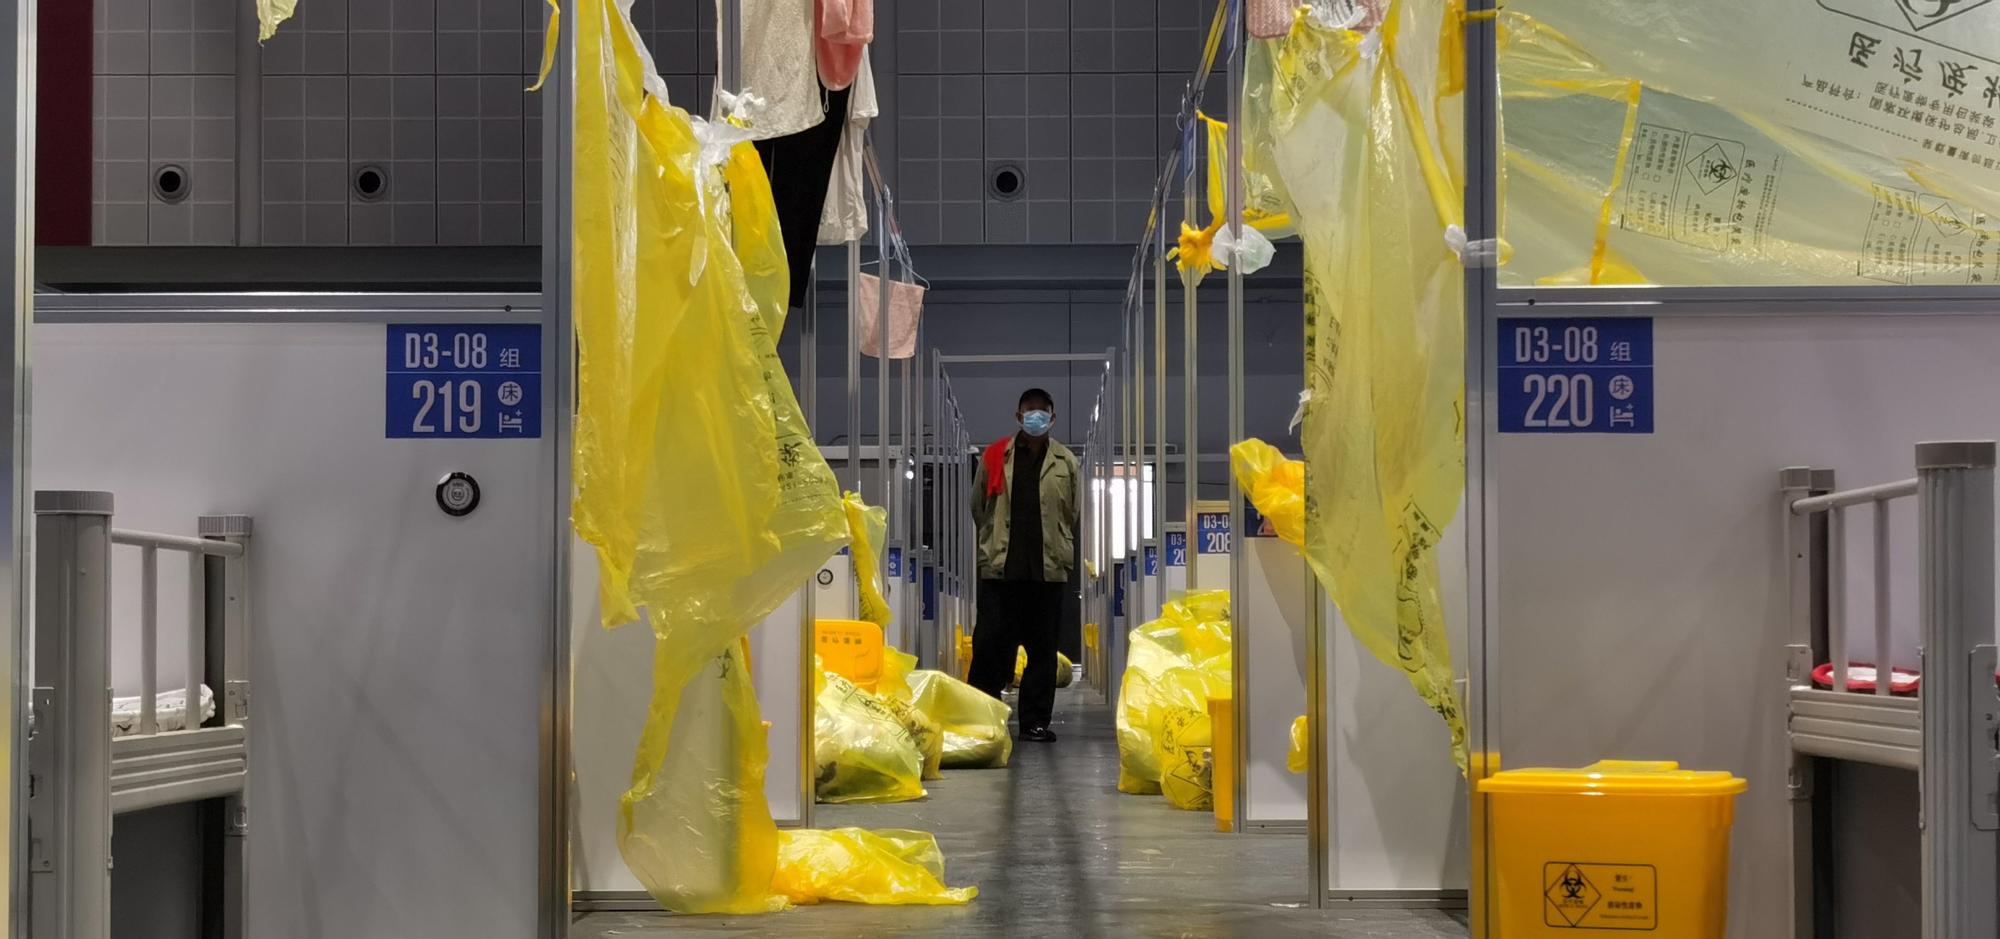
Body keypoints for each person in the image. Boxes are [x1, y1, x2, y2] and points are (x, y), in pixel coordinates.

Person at [968, 388, 1079, 743]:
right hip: (1002, 571)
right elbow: (978, 507)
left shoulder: (1065, 461)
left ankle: (1034, 723)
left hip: (1046, 572)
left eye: (1042, 413)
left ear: (1052, 418)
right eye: (1029, 412)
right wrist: (993, 541)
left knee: (1042, 652)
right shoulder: (996, 455)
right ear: (1018, 417)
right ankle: (983, 719)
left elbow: (1073, 512)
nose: (1035, 418)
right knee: (989, 648)